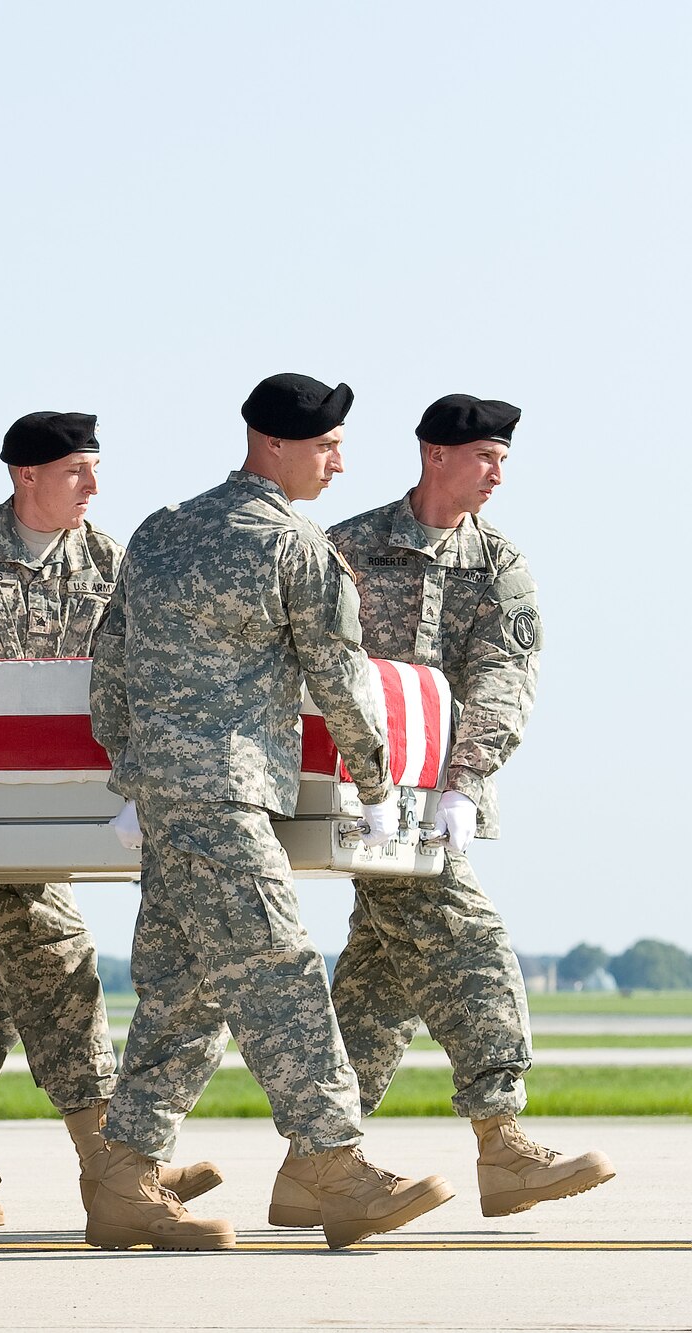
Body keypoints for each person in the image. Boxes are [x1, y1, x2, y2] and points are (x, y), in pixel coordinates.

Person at [86, 373, 453, 1251]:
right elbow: (342, 679)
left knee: (183, 993)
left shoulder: (162, 531)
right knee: (280, 967)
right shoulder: (294, 545)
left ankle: (124, 1177)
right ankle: (333, 1161)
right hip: (228, 791)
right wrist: (375, 784)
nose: (338, 460)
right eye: (326, 444)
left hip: (169, 795)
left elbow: (108, 670)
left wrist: (139, 766)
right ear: (274, 444)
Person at [0, 411, 220, 1223]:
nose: (94, 487)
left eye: (96, 470)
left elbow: (156, 672)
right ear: (26, 476)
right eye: (76, 472)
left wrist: (143, 781)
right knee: (56, 951)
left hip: (60, 816)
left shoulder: (112, 563)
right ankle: (108, 1163)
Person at [317, 394, 613, 1222]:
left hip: (430, 802)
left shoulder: (500, 565)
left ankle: (318, 1160)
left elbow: (503, 678)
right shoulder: (346, 547)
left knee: (379, 978)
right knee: (468, 940)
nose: (496, 473)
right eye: (484, 456)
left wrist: (465, 781)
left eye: (503, 460)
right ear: (434, 454)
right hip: (349, 792)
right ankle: (502, 1144)